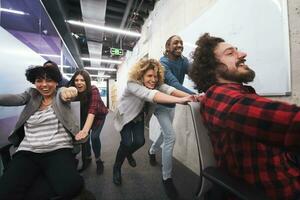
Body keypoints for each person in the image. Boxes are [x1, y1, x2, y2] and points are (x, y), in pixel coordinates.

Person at [189, 33, 300, 200]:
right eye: (230, 53)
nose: (243, 54)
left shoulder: (231, 94)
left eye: (237, 50)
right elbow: (292, 123)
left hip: (285, 163)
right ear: (212, 68)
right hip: (281, 188)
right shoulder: (225, 99)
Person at [0, 65, 93, 199]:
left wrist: (71, 90)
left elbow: (67, 92)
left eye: (49, 80)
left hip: (58, 149)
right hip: (28, 151)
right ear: (34, 82)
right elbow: (16, 98)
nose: (44, 85)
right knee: (5, 192)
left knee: (72, 187)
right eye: (39, 80)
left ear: (56, 82)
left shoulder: (59, 94)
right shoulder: (31, 95)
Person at [113, 58, 194, 188]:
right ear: (141, 76)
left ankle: (127, 152)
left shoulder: (156, 84)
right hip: (125, 117)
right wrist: (180, 100)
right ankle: (116, 168)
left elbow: (169, 89)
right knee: (127, 143)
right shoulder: (132, 84)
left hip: (138, 117)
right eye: (149, 76)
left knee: (140, 141)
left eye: (155, 76)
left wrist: (192, 96)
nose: (153, 79)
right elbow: (151, 95)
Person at [148, 35, 195, 197]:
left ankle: (152, 150)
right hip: (160, 104)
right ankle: (166, 178)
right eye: (176, 42)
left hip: (172, 104)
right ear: (168, 47)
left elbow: (194, 73)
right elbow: (173, 84)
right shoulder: (163, 63)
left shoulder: (183, 61)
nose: (180, 44)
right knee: (170, 137)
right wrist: (195, 96)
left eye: (181, 42)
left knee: (164, 133)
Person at [68, 70, 109, 175]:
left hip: (98, 116)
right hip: (84, 116)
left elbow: (93, 110)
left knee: (94, 137)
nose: (79, 83)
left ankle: (98, 160)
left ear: (87, 81)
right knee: (84, 140)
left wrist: (86, 130)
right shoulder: (73, 90)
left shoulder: (93, 89)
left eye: (82, 80)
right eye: (76, 80)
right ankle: (88, 157)